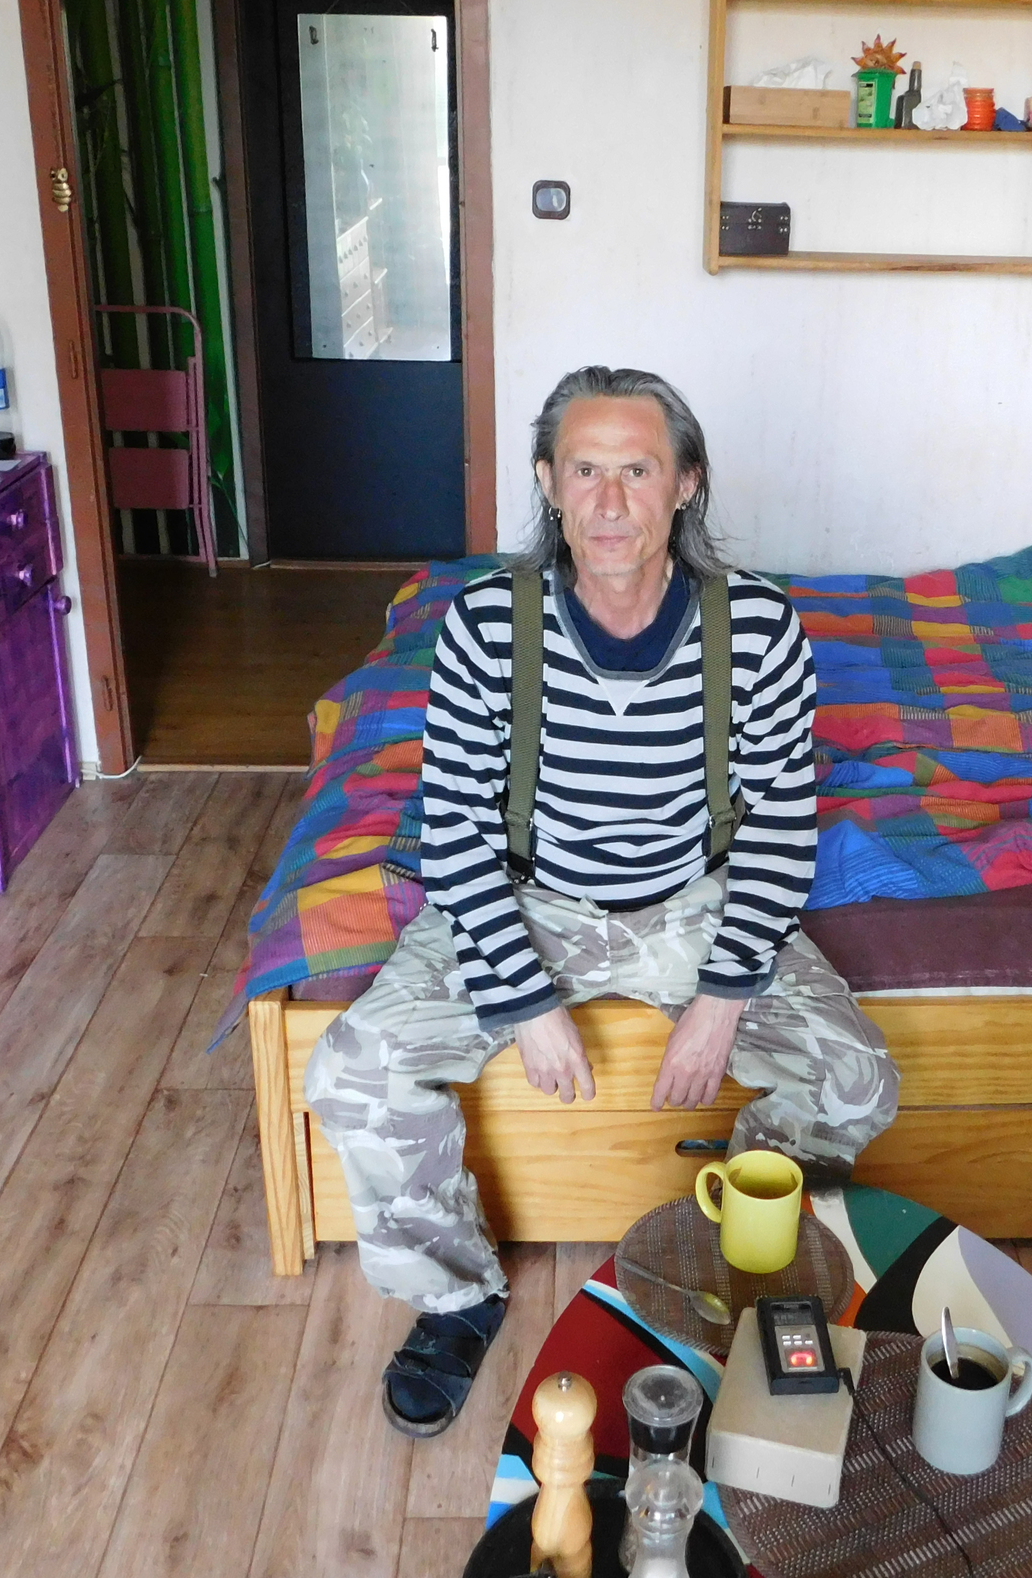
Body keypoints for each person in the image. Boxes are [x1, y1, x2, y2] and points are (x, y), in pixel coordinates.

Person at [305, 365, 901, 1438]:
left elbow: (778, 825)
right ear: (548, 481)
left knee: (857, 1078)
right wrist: (527, 1002)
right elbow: (455, 828)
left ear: (686, 484)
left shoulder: (758, 626)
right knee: (351, 1067)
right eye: (586, 471)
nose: (611, 502)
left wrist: (722, 998)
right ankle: (456, 1295)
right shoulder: (488, 622)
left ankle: (740, 1247)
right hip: (531, 892)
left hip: (693, 897)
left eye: (638, 471)